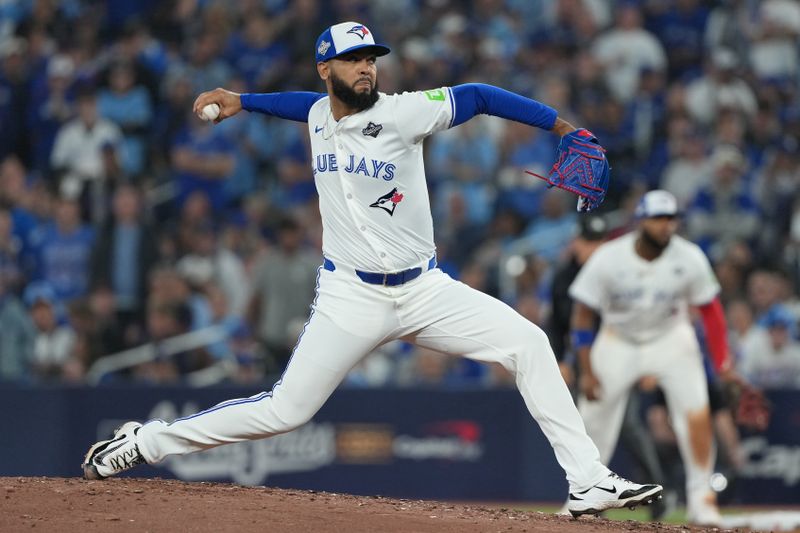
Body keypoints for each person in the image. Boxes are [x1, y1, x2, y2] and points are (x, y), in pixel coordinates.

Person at [82, 21, 662, 516]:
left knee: (530, 343)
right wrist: (243, 100)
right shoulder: (315, 116)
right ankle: (148, 441)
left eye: (371, 59)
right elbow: (297, 107)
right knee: (286, 411)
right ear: (325, 69)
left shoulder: (405, 114)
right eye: (353, 60)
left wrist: (561, 128)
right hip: (350, 298)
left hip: (426, 290)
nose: (366, 69)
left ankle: (588, 481)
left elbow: (481, 95)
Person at [568, 189, 739, 526]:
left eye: (671, 218)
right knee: (593, 421)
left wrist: (724, 364)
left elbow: (712, 314)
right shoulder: (609, 257)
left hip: (670, 336)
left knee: (695, 414)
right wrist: (586, 369)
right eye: (659, 218)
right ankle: (583, 495)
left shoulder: (689, 256)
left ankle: (702, 500)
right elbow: (583, 315)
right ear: (641, 221)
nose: (666, 226)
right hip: (618, 339)